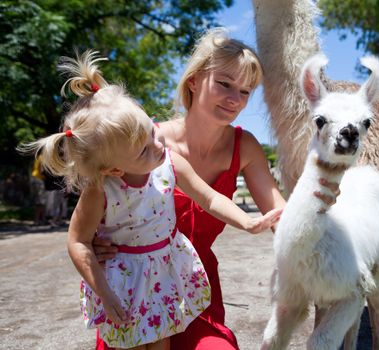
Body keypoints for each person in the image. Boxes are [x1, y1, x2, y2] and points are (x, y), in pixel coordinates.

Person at [94, 28, 339, 350]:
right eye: (224, 83)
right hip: (137, 291)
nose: (235, 99)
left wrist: (317, 224)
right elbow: (97, 204)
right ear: (193, 80)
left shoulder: (245, 146)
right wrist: (95, 241)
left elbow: (278, 213)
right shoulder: (144, 143)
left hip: (195, 291)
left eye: (245, 91)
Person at [19, 50, 281, 350]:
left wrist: (248, 221)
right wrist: (100, 278)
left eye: (246, 90)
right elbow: (78, 239)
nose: (158, 144)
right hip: (124, 289)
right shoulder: (113, 171)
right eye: (224, 83)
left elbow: (211, 198)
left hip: (173, 281)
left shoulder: (166, 158)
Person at [30, 154, 47, 225]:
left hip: (35, 177)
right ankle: (38, 220)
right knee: (41, 201)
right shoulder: (43, 157)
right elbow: (42, 169)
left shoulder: (39, 156)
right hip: (39, 179)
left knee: (39, 200)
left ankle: (41, 219)